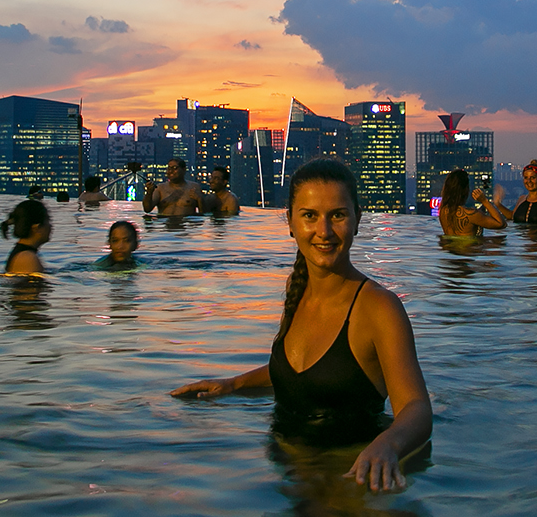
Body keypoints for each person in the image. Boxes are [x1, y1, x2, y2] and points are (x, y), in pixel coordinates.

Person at [171, 159, 432, 493]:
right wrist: (233, 385)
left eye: (337, 215)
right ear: (290, 222)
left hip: (349, 478)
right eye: (310, 215)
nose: (323, 231)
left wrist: (388, 445)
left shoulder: (378, 308)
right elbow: (300, 371)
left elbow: (416, 408)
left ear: (357, 221)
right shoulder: (298, 292)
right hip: (285, 473)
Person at [437, 169, 505, 237]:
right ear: (465, 190)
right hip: (469, 246)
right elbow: (501, 224)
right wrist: (485, 201)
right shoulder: (471, 214)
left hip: (448, 246)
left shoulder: (443, 211)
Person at [0, 199, 50, 274]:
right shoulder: (27, 258)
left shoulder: (24, 254)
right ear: (36, 228)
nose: (50, 226)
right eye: (48, 221)